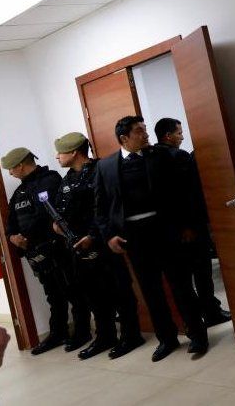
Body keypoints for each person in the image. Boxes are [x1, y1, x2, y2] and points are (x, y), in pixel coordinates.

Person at [93, 116, 209, 361]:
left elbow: (182, 193)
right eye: (139, 131)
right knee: (151, 291)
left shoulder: (162, 156)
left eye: (145, 130)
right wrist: (109, 236)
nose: (146, 135)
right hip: (134, 239)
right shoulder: (105, 167)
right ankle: (166, 339)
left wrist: (187, 225)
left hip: (165, 231)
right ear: (124, 138)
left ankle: (197, 336)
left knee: (181, 285)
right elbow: (101, 208)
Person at [52, 132, 144, 360]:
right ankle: (105, 336)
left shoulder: (101, 170)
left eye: (60, 151)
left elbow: (109, 207)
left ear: (74, 152)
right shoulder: (67, 179)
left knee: (119, 289)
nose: (57, 156)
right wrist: (57, 226)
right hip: (77, 247)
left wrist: (93, 235)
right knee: (94, 295)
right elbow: (61, 211)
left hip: (103, 243)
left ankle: (132, 335)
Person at [1, 147, 90, 355]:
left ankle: (83, 332)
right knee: (53, 295)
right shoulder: (19, 192)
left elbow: (46, 214)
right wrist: (14, 237)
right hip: (37, 255)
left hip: (57, 250)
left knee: (73, 291)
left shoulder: (50, 180)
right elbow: (11, 223)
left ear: (20, 164)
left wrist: (27, 238)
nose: (10, 173)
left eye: (11, 168)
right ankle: (58, 333)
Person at [154, 117, 231, 327]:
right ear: (168, 136)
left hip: (168, 230)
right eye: (179, 132)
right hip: (190, 226)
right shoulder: (177, 156)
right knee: (202, 271)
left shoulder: (151, 157)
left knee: (184, 278)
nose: (182, 136)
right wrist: (190, 225)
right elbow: (186, 195)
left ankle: (199, 314)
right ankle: (211, 311)